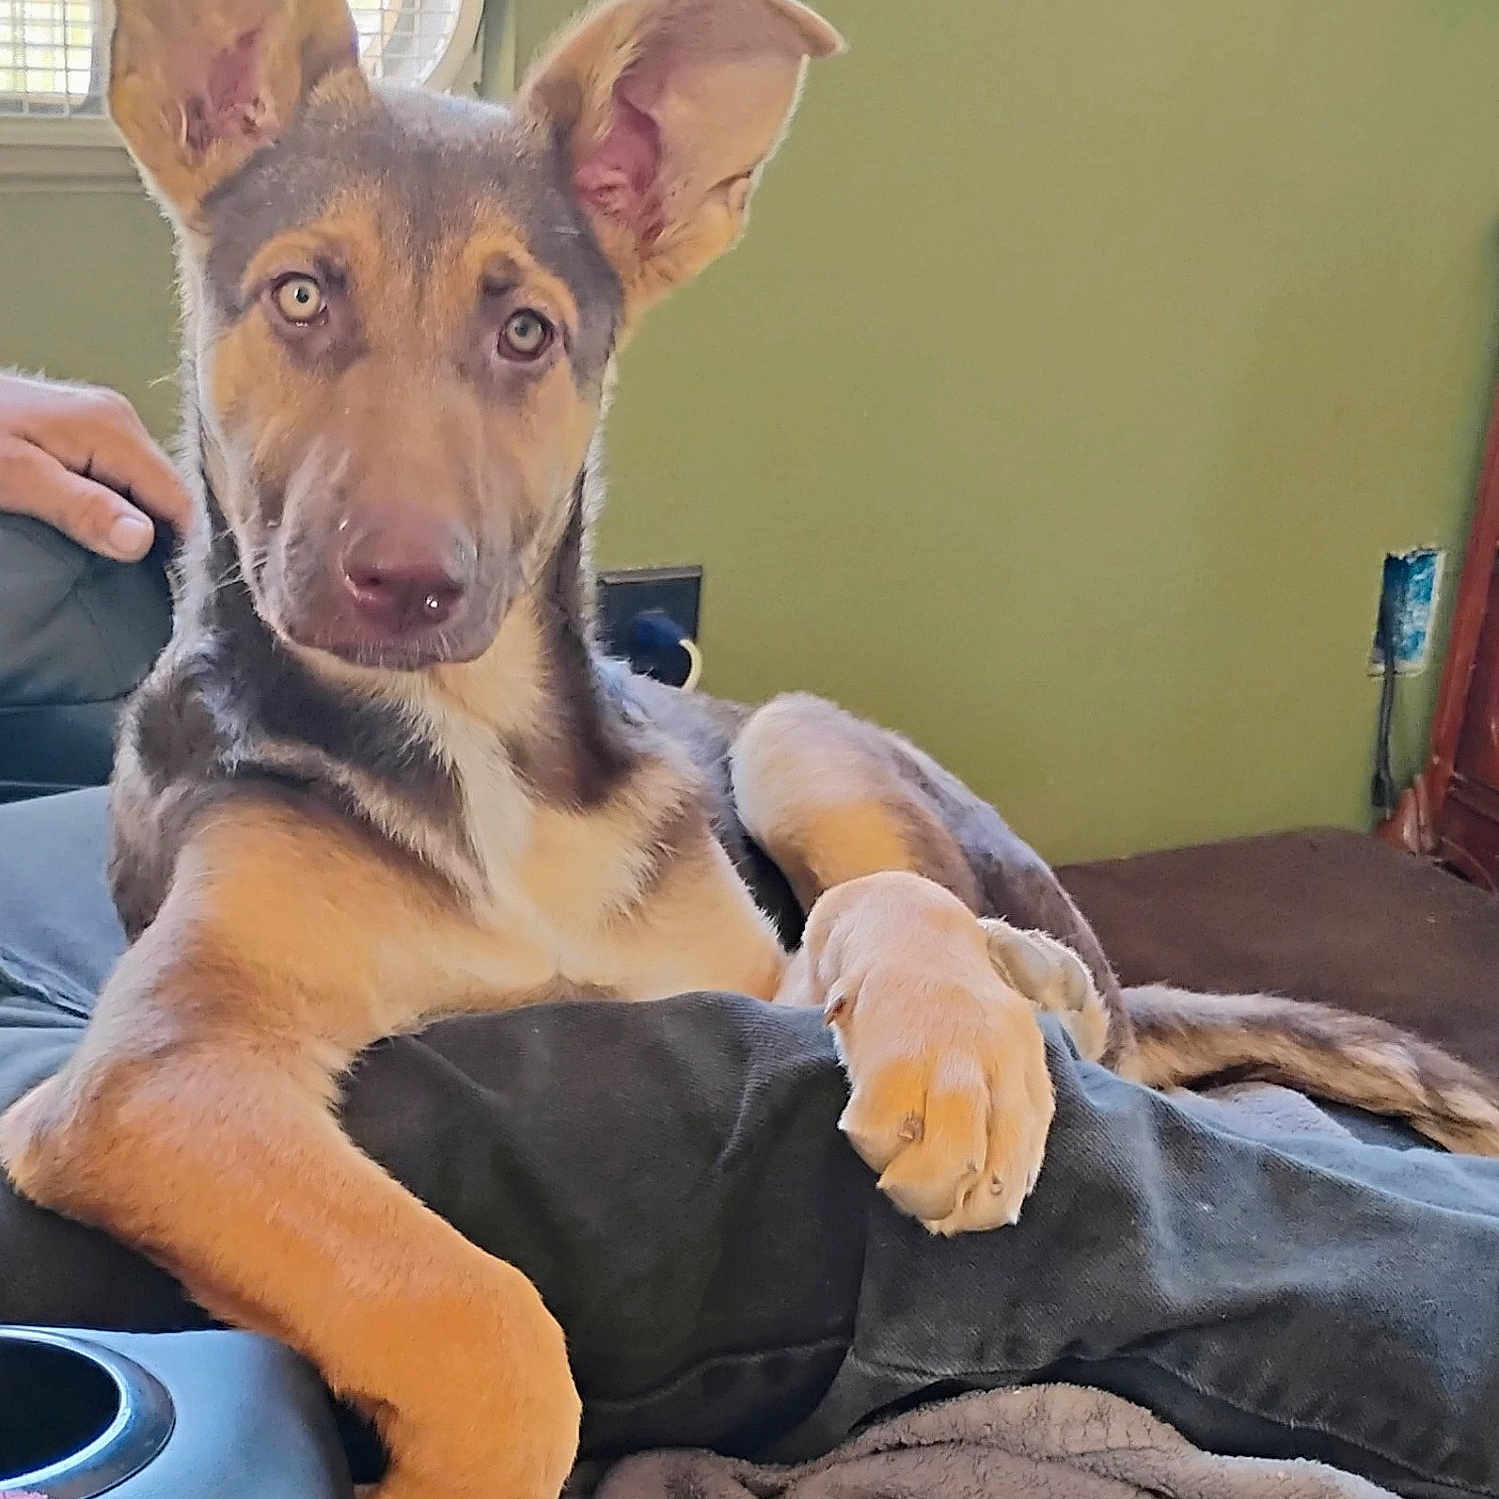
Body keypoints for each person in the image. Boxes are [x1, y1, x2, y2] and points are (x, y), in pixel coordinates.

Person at [2, 370, 1498, 1498]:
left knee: (796, 763)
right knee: (816, 1132)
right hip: (154, 986)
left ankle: (980, 975)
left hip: (694, 894)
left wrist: (896, 915)